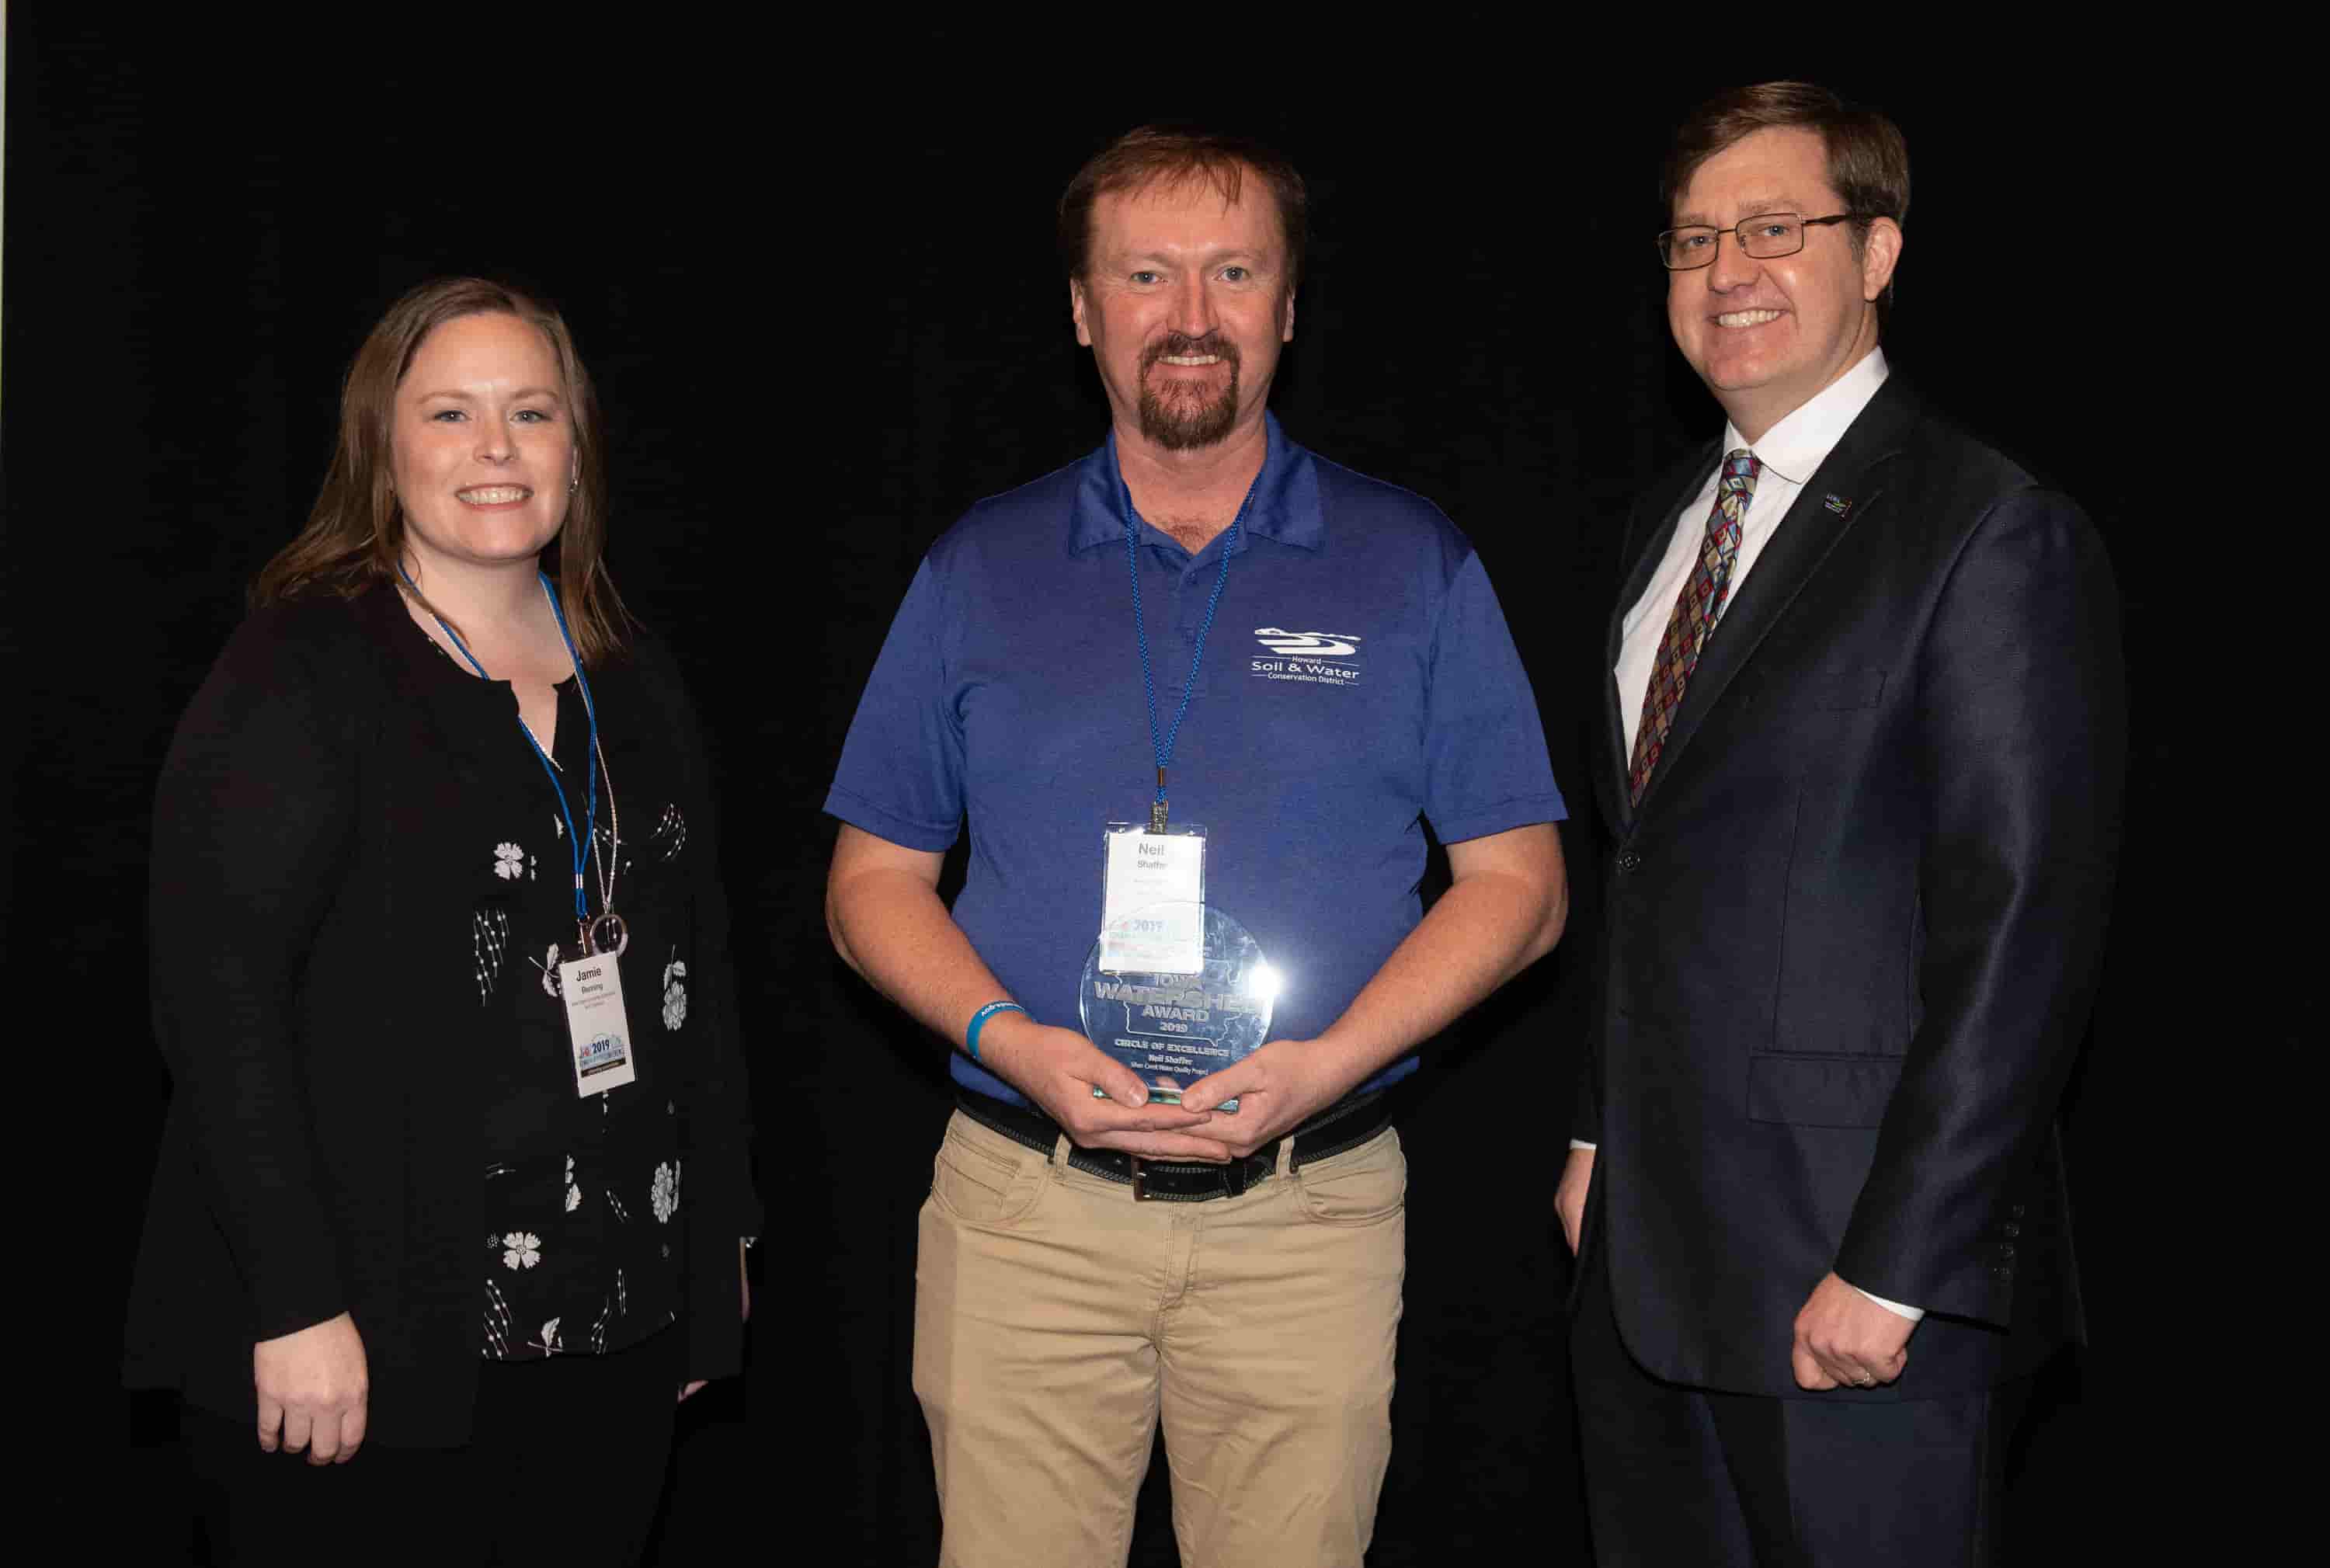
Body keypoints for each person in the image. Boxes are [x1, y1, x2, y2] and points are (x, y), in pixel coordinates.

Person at [823, 126, 1569, 1567]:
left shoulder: (1411, 561)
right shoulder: (980, 566)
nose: (1191, 315)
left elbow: (1520, 889)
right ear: (1084, 310)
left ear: (1289, 307)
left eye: (1234, 272)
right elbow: (870, 884)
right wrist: (1010, 1038)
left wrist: (1326, 1068)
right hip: (1026, 1211)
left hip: (1309, 1214)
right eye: (1146, 273)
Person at [1555, 82, 2125, 1566]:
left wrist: (1901, 1265)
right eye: (1691, 241)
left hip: (1855, 1284)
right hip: (1647, 1266)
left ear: (1875, 256)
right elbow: (1649, 861)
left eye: (1772, 230)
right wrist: (1594, 1128)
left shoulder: (1990, 529)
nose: (1725, 272)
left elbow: (2022, 930)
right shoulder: (1667, 523)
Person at [123, 278, 759, 1566]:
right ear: (382, 443)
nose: (495, 449)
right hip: (365, 1334)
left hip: (614, 1317)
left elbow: (703, 978)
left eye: (531, 412)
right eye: (451, 412)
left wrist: (717, 1252)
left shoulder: (633, 673)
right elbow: (217, 996)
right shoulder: (302, 668)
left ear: (575, 443)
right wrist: (294, 1303)